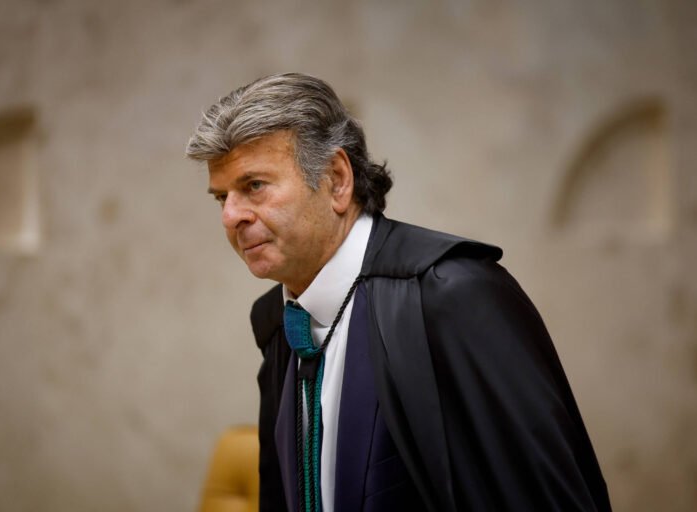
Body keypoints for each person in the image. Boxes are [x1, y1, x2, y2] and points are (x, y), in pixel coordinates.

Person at [186, 73, 611, 512]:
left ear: (336, 179)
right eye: (221, 198)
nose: (231, 216)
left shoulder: (454, 293)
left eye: (253, 186)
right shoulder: (277, 320)